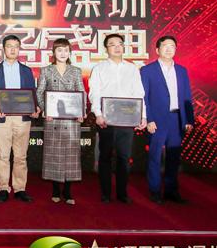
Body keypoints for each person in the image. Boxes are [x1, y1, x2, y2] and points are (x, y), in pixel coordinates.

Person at [89, 33, 147, 204]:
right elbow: (94, 93)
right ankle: (106, 193)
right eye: (112, 44)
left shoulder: (132, 68)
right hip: (106, 120)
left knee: (124, 157)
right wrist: (98, 114)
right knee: (105, 157)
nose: (117, 47)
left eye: (120, 43)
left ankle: (122, 193)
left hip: (127, 120)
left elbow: (139, 94)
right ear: (106, 49)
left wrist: (143, 115)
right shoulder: (99, 68)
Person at [0, 34, 40, 203]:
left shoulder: (26, 71)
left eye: (16, 46)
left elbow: (32, 93)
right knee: (2, 155)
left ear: (19, 49)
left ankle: (19, 188)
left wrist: (35, 108)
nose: (13, 49)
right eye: (9, 46)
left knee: (20, 156)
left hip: (22, 118)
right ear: (3, 49)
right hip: (2, 118)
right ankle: (3, 187)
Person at [140, 35, 194, 204]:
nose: (169, 49)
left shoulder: (182, 71)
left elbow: (187, 96)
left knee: (174, 157)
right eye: (165, 46)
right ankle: (155, 191)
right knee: (155, 157)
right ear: (157, 50)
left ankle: (171, 191)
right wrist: (148, 119)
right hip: (157, 120)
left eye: (172, 46)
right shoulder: (147, 70)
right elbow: (144, 97)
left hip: (177, 119)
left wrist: (189, 119)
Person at [35, 38, 85, 205]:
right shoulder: (46, 71)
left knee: (71, 156)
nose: (63, 53)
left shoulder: (76, 71)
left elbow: (81, 92)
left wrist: (81, 112)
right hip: (53, 119)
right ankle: (55, 190)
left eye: (66, 50)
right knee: (54, 155)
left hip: (71, 120)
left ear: (69, 53)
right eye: (59, 50)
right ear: (53, 53)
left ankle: (68, 192)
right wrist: (45, 110)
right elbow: (39, 92)